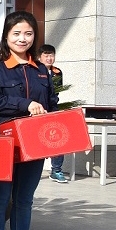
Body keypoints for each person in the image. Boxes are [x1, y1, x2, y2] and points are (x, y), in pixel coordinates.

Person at [0, 11, 57, 230]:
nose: (22, 39)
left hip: (35, 145)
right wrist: (26, 104)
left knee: (25, 198)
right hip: (4, 143)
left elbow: (52, 104)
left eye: (28, 33)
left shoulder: (41, 70)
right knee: (0, 198)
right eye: (16, 33)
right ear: (6, 36)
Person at [38, 44, 67, 183]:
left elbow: (56, 92)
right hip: (36, 110)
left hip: (52, 109)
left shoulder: (57, 72)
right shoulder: (34, 70)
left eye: (52, 55)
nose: (49, 58)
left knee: (58, 138)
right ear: (39, 57)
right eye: (46, 55)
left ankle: (56, 170)